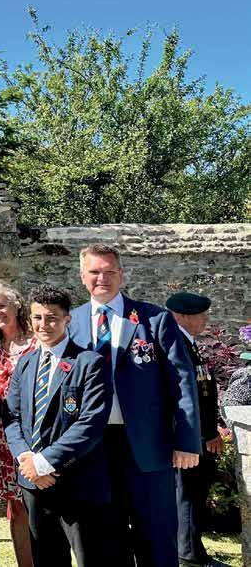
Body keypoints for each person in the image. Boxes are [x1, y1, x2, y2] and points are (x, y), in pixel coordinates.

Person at [68, 243, 201, 566]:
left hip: (146, 446)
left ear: (121, 274)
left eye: (109, 271)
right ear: (82, 276)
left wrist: (187, 441)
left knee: (156, 539)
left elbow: (182, 382)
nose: (102, 278)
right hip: (93, 449)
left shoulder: (154, 319)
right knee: (106, 541)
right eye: (94, 272)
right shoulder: (71, 321)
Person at [5, 285, 112, 566]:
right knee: (46, 557)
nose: (44, 324)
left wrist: (45, 463)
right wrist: (27, 460)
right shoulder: (26, 363)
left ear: (67, 319)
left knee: (91, 558)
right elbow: (11, 417)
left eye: (52, 318)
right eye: (37, 317)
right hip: (33, 483)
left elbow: (90, 423)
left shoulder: (89, 363)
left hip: (76, 481)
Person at [167, 291, 225, 566]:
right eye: (201, 315)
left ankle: (191, 549)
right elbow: (185, 398)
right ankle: (189, 554)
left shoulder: (187, 344)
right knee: (188, 494)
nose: (206, 319)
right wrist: (205, 434)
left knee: (194, 493)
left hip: (196, 435)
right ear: (182, 317)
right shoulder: (176, 345)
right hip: (188, 438)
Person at [0, 279, 36, 567]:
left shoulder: (37, 340)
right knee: (17, 507)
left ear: (16, 305)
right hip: (4, 438)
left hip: (36, 433)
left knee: (41, 504)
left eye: (1, 305)